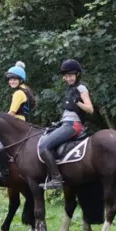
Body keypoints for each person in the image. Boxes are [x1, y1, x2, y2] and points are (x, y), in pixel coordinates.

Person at [38, 59, 94, 189]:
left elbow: (90, 109)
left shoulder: (81, 88)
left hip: (73, 124)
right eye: (66, 76)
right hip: (65, 123)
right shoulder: (70, 88)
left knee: (44, 146)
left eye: (70, 75)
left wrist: (78, 102)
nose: (67, 78)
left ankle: (56, 179)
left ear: (77, 74)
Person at [0, 61, 35, 180]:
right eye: (10, 79)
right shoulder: (26, 90)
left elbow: (11, 113)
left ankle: (3, 171)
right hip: (23, 122)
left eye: (14, 79)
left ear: (21, 80)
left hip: (15, 123)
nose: (11, 81)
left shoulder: (18, 93)